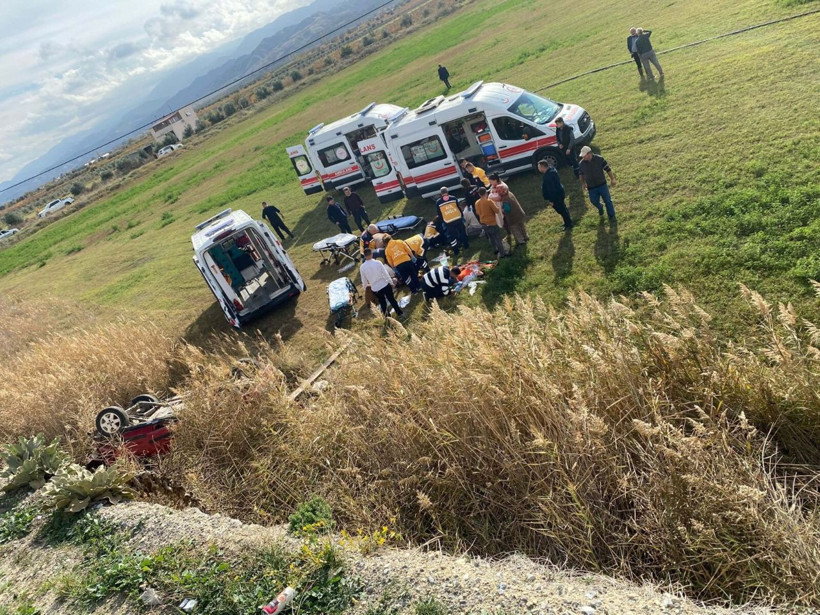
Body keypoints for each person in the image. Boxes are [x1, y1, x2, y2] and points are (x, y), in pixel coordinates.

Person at [488, 173, 529, 247]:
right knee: (520, 222)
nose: (490, 183)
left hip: (509, 208)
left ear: (495, 180)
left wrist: (490, 198)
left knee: (513, 225)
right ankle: (525, 236)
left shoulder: (501, 188)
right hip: (514, 205)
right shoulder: (502, 186)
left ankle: (520, 241)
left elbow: (499, 198)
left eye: (491, 181)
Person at [360, 248, 403, 317]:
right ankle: (399, 312)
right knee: (391, 299)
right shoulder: (378, 263)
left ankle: (387, 316)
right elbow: (385, 273)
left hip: (375, 288)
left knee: (382, 302)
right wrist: (391, 282)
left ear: (364, 256)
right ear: (371, 254)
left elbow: (363, 280)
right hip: (384, 284)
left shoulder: (362, 267)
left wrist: (366, 288)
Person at [578, 145, 617, 221]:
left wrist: (612, 179)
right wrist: (583, 183)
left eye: (584, 155)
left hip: (602, 184)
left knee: (608, 201)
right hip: (591, 187)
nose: (583, 157)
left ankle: (611, 216)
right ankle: (600, 207)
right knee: (593, 201)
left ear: (589, 154)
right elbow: (581, 174)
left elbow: (607, 169)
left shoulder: (599, 159)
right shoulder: (581, 164)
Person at [538, 160, 573, 230]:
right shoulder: (551, 170)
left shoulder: (548, 176)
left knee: (561, 209)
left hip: (556, 196)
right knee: (563, 208)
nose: (538, 169)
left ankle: (568, 224)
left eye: (539, 167)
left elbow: (551, 189)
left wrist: (551, 200)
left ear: (542, 167)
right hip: (559, 193)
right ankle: (567, 221)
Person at [473, 187, 508, 257]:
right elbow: (497, 211)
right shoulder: (489, 201)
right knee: (497, 238)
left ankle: (495, 249)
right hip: (491, 223)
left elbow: (477, 212)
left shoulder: (477, 203)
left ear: (479, 194)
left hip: (483, 223)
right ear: (486, 193)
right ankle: (503, 254)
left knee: (491, 238)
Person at [435, 187, 469, 254]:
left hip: (448, 221)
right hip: (457, 218)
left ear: (441, 194)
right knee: (462, 232)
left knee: (452, 237)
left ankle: (456, 250)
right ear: (447, 192)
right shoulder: (453, 198)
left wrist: (443, 221)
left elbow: (439, 213)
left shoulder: (438, 202)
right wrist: (461, 215)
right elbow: (458, 207)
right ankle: (466, 246)